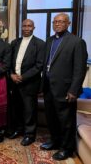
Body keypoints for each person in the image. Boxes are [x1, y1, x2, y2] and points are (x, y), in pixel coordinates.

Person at [40, 13, 88, 160]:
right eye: (55, 22)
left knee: (66, 120)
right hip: (49, 87)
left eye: (61, 22)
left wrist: (73, 90)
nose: (57, 24)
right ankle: (55, 141)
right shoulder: (49, 41)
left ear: (68, 23)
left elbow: (79, 69)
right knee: (52, 117)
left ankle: (67, 148)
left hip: (65, 89)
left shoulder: (77, 42)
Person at [9, 19, 45, 146]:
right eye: (24, 25)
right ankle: (18, 129)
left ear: (33, 28)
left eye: (29, 26)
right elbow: (9, 61)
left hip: (29, 83)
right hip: (14, 82)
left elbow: (39, 65)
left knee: (29, 110)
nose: (26, 28)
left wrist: (23, 77)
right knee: (16, 108)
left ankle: (30, 134)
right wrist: (11, 74)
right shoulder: (15, 42)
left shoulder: (40, 44)